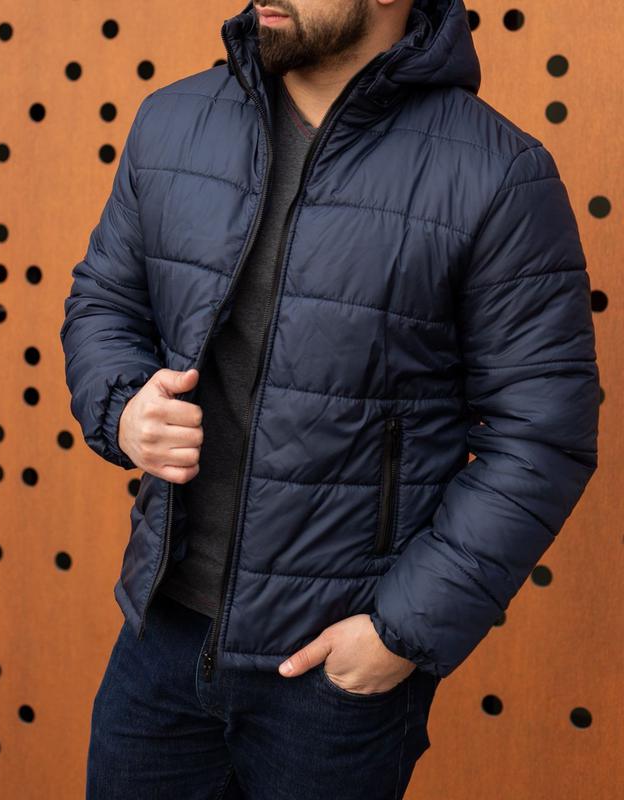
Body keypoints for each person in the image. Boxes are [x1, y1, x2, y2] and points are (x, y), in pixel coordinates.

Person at [60, 0, 600, 797]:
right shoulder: (172, 123)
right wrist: (123, 409)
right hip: (161, 640)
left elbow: (543, 435)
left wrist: (398, 632)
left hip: (331, 681)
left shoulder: (497, 173)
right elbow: (104, 302)